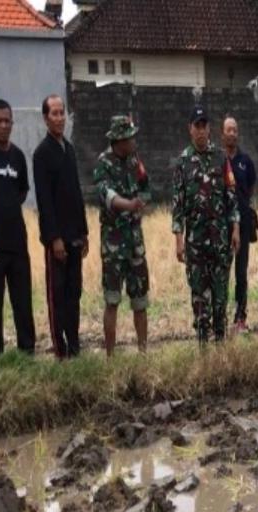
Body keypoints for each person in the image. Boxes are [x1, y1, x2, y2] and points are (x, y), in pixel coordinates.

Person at [171, 106, 240, 343]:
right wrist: (179, 239)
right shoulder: (183, 162)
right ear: (190, 130)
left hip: (220, 239)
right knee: (199, 295)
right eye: (196, 126)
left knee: (220, 294)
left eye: (204, 126)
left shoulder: (221, 158)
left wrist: (236, 229)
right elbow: (177, 205)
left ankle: (220, 342)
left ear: (209, 129)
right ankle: (202, 344)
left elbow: (231, 196)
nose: (201, 131)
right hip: (196, 243)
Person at [33, 94, 88, 359]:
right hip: (57, 239)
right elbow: (44, 200)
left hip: (75, 235)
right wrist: (54, 238)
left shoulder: (69, 148)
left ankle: (75, 344)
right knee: (57, 295)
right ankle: (60, 350)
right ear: (45, 118)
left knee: (74, 293)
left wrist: (84, 231)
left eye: (61, 112)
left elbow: (76, 193)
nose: (59, 118)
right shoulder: (42, 154)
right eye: (54, 113)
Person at [93, 115, 150, 356]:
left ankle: (143, 352)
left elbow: (146, 187)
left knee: (140, 301)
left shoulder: (135, 160)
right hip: (114, 243)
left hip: (135, 243)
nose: (134, 141)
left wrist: (142, 202)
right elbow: (107, 196)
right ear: (119, 140)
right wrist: (129, 205)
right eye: (130, 137)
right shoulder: (103, 164)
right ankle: (110, 357)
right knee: (112, 300)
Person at [0, 98, 35, 356]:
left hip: (17, 243)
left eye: (8, 121)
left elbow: (22, 190)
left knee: (23, 303)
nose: (4, 125)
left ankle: (27, 352)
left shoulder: (17, 156)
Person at [221, 116, 257, 334]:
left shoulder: (246, 161)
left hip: (243, 225)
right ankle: (221, 318)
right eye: (228, 130)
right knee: (222, 274)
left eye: (235, 130)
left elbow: (250, 188)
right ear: (222, 134)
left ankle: (240, 318)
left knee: (241, 273)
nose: (232, 133)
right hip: (221, 227)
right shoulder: (218, 160)